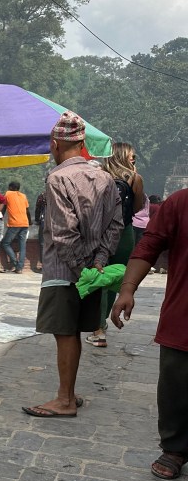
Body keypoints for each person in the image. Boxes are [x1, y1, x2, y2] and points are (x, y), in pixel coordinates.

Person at [22, 111, 121, 419]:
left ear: (55, 144)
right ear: (82, 143)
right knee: (73, 332)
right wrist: (98, 263)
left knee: (64, 334)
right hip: (92, 271)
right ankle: (69, 393)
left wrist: (81, 271)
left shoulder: (57, 178)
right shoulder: (105, 178)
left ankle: (64, 399)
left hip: (65, 272)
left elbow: (64, 233)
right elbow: (115, 225)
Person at [111, 188, 188, 479]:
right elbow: (150, 245)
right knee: (176, 383)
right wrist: (127, 289)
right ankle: (175, 447)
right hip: (183, 314)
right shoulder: (181, 202)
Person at [86, 142, 145, 348]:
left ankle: (98, 328)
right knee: (113, 279)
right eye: (131, 155)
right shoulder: (135, 178)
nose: (133, 158)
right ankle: (101, 323)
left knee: (99, 278)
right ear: (122, 156)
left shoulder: (100, 175)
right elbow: (137, 208)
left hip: (101, 234)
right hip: (124, 234)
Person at [0, 181, 32, 273]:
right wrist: (30, 221)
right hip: (25, 223)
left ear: (11, 187)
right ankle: (20, 268)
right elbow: (27, 210)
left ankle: (15, 263)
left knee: (5, 243)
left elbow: (3, 207)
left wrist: (0, 217)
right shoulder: (23, 196)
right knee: (22, 246)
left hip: (14, 224)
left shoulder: (8, 194)